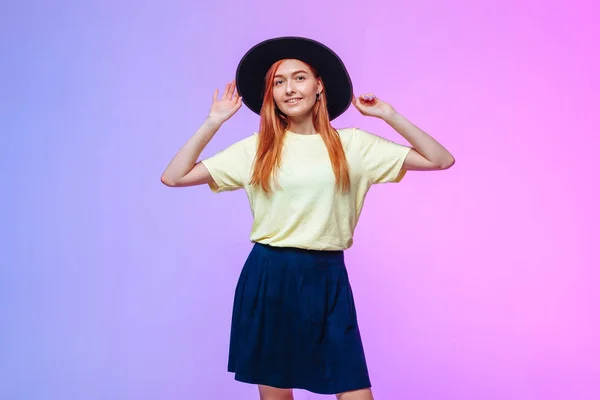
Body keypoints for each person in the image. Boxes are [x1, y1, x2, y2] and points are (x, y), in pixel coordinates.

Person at [161, 36, 454, 400]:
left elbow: (440, 159)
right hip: (269, 277)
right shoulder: (257, 149)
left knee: (353, 391)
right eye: (278, 82)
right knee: (277, 395)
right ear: (271, 95)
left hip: (328, 278)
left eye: (299, 78)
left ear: (319, 87)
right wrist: (213, 122)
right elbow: (174, 177)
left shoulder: (355, 145)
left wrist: (388, 115)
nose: (289, 89)